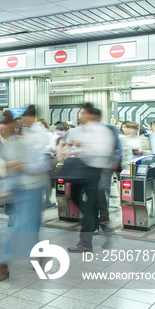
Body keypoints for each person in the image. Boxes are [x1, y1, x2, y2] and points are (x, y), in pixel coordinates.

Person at [0, 106, 52, 282]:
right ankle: (41, 255)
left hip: (34, 187)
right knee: (30, 226)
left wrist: (22, 166)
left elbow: (44, 165)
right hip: (19, 187)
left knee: (20, 226)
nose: (20, 123)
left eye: (23, 119)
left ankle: (3, 263)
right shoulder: (17, 139)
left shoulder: (41, 135)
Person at [64, 104, 116, 252]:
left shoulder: (103, 132)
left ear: (94, 116)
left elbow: (104, 151)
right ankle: (94, 222)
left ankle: (85, 242)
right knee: (75, 199)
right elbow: (69, 148)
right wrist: (72, 150)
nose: (82, 116)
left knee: (91, 205)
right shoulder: (76, 131)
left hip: (94, 172)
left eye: (85, 113)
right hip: (77, 171)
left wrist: (83, 145)